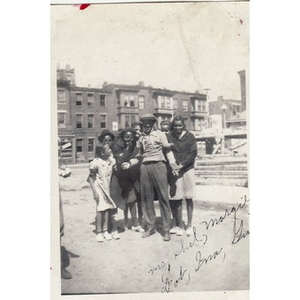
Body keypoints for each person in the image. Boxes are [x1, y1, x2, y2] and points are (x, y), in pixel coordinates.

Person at [129, 114, 177, 242]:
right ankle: (150, 226)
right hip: (145, 167)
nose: (147, 125)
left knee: (163, 197)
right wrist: (130, 163)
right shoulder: (141, 138)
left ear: (154, 123)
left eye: (150, 122)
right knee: (146, 198)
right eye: (145, 123)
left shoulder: (160, 134)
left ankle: (166, 229)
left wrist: (172, 163)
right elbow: (139, 155)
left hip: (159, 165)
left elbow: (167, 150)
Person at [167, 115, 198, 236]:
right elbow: (168, 152)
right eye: (175, 126)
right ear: (173, 127)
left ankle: (189, 225)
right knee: (177, 198)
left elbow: (193, 153)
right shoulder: (170, 136)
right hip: (175, 170)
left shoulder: (190, 137)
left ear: (183, 126)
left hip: (188, 169)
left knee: (189, 197)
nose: (178, 128)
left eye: (180, 125)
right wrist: (174, 165)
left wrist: (182, 165)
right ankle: (179, 225)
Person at [110, 128, 144, 233]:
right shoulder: (116, 147)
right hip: (117, 177)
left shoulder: (135, 148)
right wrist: (126, 150)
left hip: (129, 177)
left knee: (132, 200)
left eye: (131, 137)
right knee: (114, 200)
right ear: (122, 137)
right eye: (126, 137)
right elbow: (119, 161)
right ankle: (114, 226)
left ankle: (135, 224)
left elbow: (138, 158)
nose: (128, 139)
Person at [87, 143, 120, 242]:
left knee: (107, 209)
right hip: (99, 188)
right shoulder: (96, 163)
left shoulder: (111, 161)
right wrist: (94, 192)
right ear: (102, 153)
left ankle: (105, 230)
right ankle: (99, 232)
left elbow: (115, 165)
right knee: (100, 210)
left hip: (107, 188)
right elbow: (90, 178)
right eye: (108, 149)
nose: (110, 150)